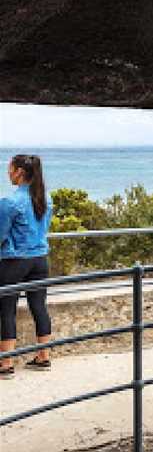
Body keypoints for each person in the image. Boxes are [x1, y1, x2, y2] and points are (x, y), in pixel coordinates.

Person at [0, 154, 53, 379]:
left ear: (20, 172)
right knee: (39, 306)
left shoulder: (10, 202)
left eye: (9, 169)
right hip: (40, 259)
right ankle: (43, 357)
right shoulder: (46, 199)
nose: (8, 173)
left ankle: (6, 364)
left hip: (15, 261)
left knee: (6, 310)